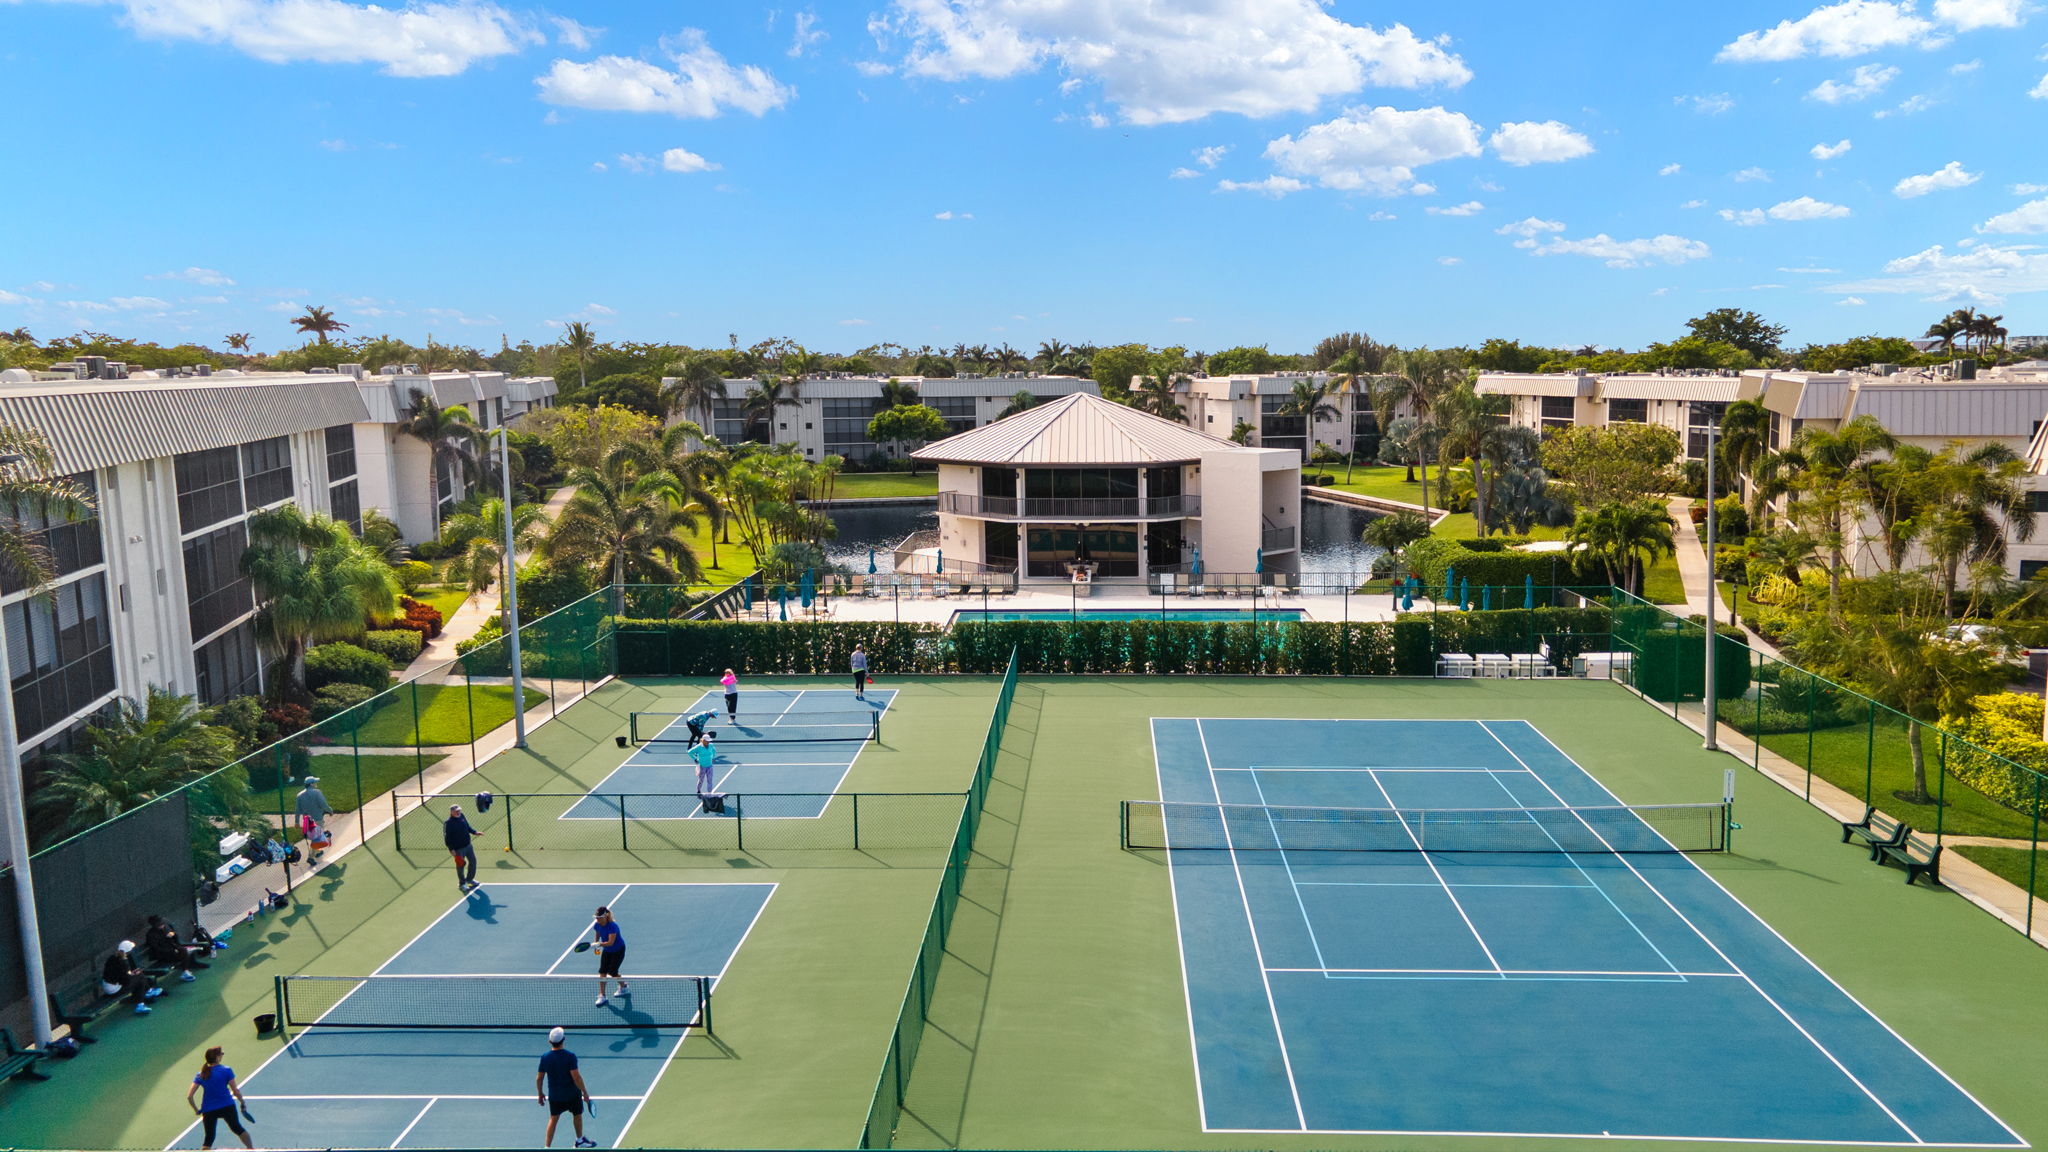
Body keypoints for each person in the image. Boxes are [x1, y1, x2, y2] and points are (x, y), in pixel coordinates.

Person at [536, 1027, 596, 1148]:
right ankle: (579, 1140)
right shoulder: (570, 1056)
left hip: (555, 1097)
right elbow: (576, 1077)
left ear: (549, 1042)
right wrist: (584, 1092)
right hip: (572, 1095)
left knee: (553, 1119)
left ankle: (547, 1147)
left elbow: (539, 1078)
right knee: (577, 1115)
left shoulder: (545, 1057)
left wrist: (540, 1094)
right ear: (564, 1040)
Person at [186, 1045, 253, 1150]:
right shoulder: (226, 1070)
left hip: (208, 1109)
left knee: (209, 1139)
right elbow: (235, 1091)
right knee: (237, 1129)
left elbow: (189, 1097)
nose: (222, 1055)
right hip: (227, 1106)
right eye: (221, 1054)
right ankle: (251, 1149)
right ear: (217, 1058)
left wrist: (196, 1110)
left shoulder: (201, 1074)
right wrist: (242, 1102)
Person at [101, 942, 161, 1015]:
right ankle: (143, 1000)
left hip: (109, 987)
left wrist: (131, 974)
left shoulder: (112, 958)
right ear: (127, 950)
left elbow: (119, 975)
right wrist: (133, 975)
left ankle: (147, 993)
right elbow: (125, 981)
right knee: (140, 979)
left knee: (139, 976)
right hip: (114, 990)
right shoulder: (122, 962)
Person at [144, 914, 208, 981]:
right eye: (160, 924)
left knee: (183, 951)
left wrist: (173, 935)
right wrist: (171, 948)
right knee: (183, 952)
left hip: (171, 950)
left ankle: (185, 971)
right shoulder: (150, 934)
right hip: (162, 955)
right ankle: (185, 971)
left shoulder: (164, 928)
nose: (162, 925)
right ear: (155, 925)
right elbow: (156, 948)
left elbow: (175, 940)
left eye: (162, 923)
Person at [590, 906, 627, 1006]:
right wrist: (596, 944)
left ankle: (624, 987)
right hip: (607, 950)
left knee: (612, 972)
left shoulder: (612, 926)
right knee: (602, 971)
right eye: (596, 917)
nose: (597, 919)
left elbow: (610, 943)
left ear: (605, 916)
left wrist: (599, 944)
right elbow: (598, 935)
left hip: (618, 950)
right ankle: (602, 995)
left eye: (599, 917)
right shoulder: (597, 924)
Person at [294, 776, 334, 864]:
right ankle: (310, 858)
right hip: (317, 819)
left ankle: (318, 852)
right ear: (311, 784)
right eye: (315, 782)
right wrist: (330, 811)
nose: (316, 784)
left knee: (314, 837)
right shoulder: (317, 792)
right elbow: (323, 805)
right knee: (317, 839)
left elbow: (297, 810)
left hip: (306, 821)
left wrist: (296, 822)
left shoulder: (299, 795)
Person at [444, 803, 480, 891]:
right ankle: (462, 884)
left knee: (473, 862)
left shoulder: (462, 816)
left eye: (459, 810)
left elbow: (467, 826)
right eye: (456, 811)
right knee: (460, 866)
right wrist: (451, 849)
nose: (458, 812)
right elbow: (447, 837)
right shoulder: (448, 823)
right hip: (458, 849)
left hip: (468, 846)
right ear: (452, 812)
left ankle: (469, 879)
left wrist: (474, 832)